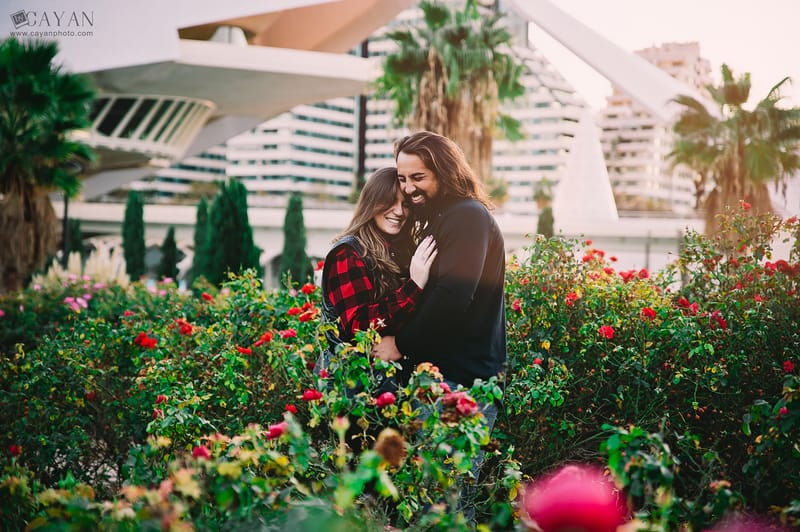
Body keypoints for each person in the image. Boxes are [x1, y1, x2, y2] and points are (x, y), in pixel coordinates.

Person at [372, 131, 507, 520]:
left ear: (444, 172)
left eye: (419, 178)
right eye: (402, 178)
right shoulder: (444, 217)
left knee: (445, 504)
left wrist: (401, 343)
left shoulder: (467, 216)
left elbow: (452, 296)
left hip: (462, 382)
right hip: (442, 378)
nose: (408, 188)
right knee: (428, 500)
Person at [319, 166, 438, 389]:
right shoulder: (349, 253)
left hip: (390, 385)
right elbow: (359, 326)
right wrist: (414, 285)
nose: (399, 212)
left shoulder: (402, 252)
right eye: (389, 202)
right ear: (371, 203)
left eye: (405, 204)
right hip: (352, 387)